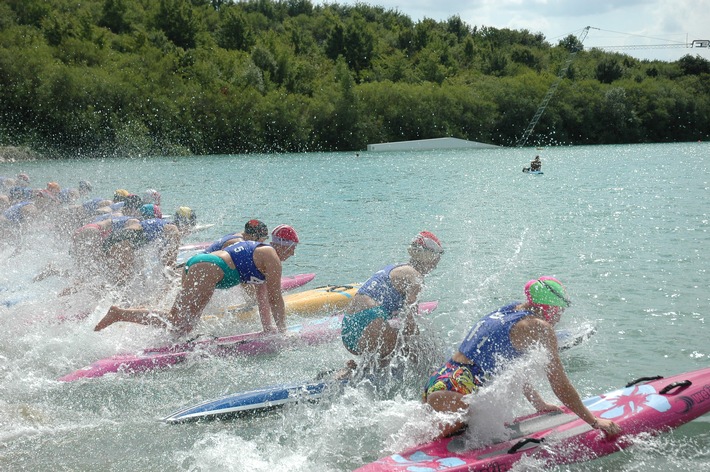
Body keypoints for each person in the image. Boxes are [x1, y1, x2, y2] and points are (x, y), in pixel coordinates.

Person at [423, 276, 622, 438]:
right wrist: (594, 421)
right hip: (456, 392)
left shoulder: (511, 309)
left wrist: (539, 404)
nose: (560, 317)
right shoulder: (539, 328)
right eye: (560, 310)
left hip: (441, 381)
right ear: (549, 308)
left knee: (429, 434)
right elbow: (560, 384)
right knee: (433, 441)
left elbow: (513, 368)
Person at [94, 224, 300, 336]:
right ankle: (119, 313)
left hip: (201, 266)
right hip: (208, 269)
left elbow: (263, 299)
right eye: (293, 249)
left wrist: (268, 331)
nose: (292, 254)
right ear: (285, 245)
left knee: (181, 326)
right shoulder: (272, 256)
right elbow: (275, 298)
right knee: (177, 321)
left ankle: (125, 316)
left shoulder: (264, 256)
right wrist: (283, 332)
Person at [340, 231, 443, 369]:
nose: (436, 264)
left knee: (390, 354)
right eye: (437, 258)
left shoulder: (398, 267)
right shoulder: (416, 278)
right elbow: (409, 322)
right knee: (422, 355)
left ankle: (355, 369)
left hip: (349, 327)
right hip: (371, 321)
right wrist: (425, 346)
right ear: (429, 257)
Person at [202, 219, 269, 253]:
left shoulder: (236, 234)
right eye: (263, 238)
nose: (264, 241)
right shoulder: (237, 242)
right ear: (253, 236)